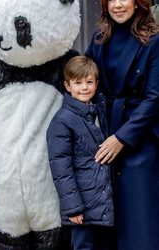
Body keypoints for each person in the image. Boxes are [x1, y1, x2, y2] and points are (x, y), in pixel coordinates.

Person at [85, 0, 159, 249]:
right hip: (103, 131)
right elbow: (82, 77)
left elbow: (155, 97)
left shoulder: (154, 40)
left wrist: (121, 138)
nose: (117, 5)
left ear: (138, 3)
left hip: (140, 139)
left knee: (138, 222)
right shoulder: (99, 37)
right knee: (105, 222)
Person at [46, 55, 114, 250]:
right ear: (67, 86)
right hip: (80, 208)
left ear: (96, 83)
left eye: (89, 82)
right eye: (78, 83)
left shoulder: (97, 112)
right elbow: (61, 168)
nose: (84, 87)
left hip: (101, 203)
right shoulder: (62, 121)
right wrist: (73, 207)